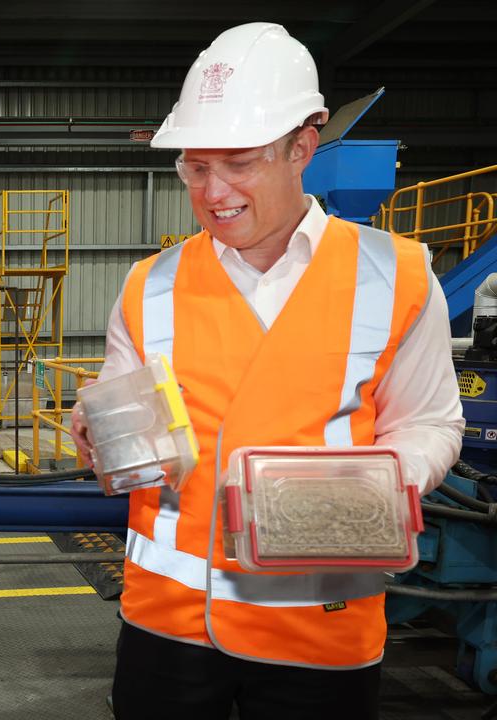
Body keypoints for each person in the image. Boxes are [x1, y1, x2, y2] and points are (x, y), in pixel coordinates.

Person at [68, 22, 463, 720]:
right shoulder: (148, 284)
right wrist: (103, 431)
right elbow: (124, 421)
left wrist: (369, 492)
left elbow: (429, 422)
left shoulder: (396, 276)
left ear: (301, 149)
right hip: (168, 626)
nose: (214, 191)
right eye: (195, 166)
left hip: (320, 626)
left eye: (239, 163)